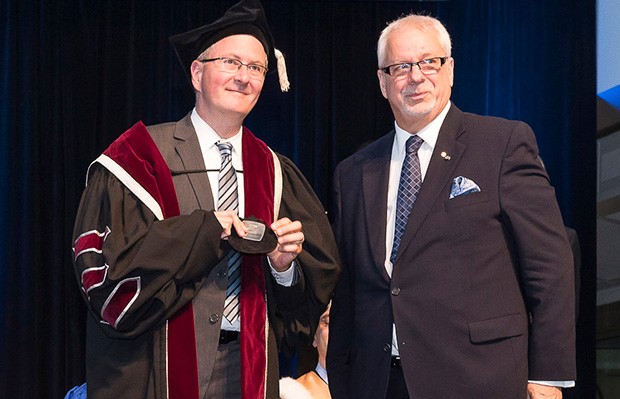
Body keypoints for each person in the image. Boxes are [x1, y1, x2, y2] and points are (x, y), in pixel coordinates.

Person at [71, 1, 340, 398]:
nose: (243, 77)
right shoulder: (140, 157)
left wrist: (282, 269)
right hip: (155, 367)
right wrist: (205, 230)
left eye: (256, 67)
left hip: (248, 369)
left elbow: (305, 304)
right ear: (197, 73)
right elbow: (107, 275)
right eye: (231, 62)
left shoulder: (275, 170)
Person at [327, 13, 575, 399]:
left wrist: (548, 375)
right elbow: (348, 290)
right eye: (401, 67)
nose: (416, 76)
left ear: (450, 69)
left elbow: (550, 263)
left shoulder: (503, 143)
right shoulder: (353, 172)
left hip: (480, 379)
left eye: (429, 61)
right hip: (377, 382)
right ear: (382, 82)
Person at [280, 302, 331, 399]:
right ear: (315, 336)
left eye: (345, 324)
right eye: (328, 323)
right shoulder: (291, 394)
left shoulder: (366, 386)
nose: (337, 331)